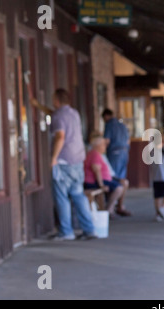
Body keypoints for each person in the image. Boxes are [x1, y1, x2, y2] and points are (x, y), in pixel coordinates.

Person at [49, 89, 97, 241]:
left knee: (62, 197)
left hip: (63, 160)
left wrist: (53, 158)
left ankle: (66, 231)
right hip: (77, 159)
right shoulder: (74, 113)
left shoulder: (57, 116)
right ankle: (89, 229)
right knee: (78, 195)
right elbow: (55, 115)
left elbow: (60, 136)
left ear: (56, 100)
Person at [84, 134, 124, 220]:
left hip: (101, 180)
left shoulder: (96, 154)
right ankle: (108, 210)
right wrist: (101, 185)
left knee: (120, 185)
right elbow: (96, 170)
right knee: (119, 188)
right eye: (103, 144)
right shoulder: (94, 154)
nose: (105, 146)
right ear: (97, 145)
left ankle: (109, 209)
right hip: (94, 182)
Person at [102, 109, 132, 216]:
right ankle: (120, 205)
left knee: (113, 178)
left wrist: (102, 154)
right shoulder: (122, 125)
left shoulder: (109, 125)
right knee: (122, 179)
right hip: (125, 152)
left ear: (106, 116)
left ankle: (111, 206)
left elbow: (107, 141)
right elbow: (128, 141)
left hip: (114, 153)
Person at [149, 134, 164, 222]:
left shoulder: (151, 152)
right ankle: (162, 208)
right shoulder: (162, 152)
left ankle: (158, 213)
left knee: (157, 196)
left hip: (155, 178)